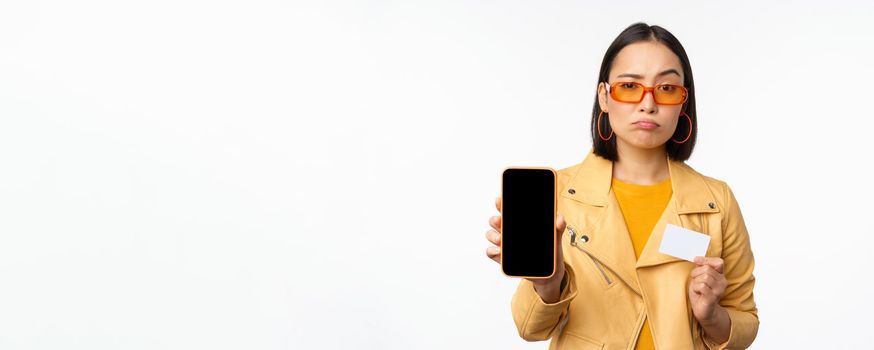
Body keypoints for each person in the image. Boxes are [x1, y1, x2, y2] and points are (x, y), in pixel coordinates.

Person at [484, 22, 758, 349]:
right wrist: (548, 284)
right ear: (604, 96)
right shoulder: (559, 194)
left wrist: (711, 316)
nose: (648, 104)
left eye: (667, 88)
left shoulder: (716, 201)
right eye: (629, 86)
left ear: (683, 102)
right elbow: (530, 329)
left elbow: (745, 320)